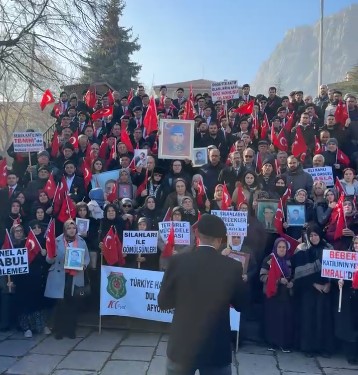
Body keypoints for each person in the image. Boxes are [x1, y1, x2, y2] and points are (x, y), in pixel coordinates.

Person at [158, 214, 248, 374]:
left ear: (197, 235)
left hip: (182, 345)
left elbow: (163, 302)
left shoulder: (177, 262)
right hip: (215, 347)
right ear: (220, 240)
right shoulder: (232, 267)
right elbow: (242, 304)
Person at [44, 219, 90, 339]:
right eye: (69, 228)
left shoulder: (81, 241)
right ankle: (59, 330)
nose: (71, 230)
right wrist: (51, 255)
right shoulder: (57, 241)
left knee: (72, 304)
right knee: (61, 304)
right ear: (65, 229)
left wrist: (83, 265)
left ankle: (70, 330)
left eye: (73, 228)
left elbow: (86, 258)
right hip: (60, 275)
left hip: (75, 275)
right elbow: (49, 260)